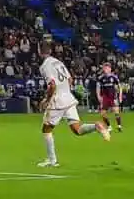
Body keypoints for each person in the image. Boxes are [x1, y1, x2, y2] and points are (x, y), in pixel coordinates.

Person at [37, 40, 111, 168]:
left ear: (39, 51)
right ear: (50, 51)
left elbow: (52, 85)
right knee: (77, 129)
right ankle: (97, 126)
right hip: (68, 98)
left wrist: (46, 100)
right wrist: (65, 90)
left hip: (57, 100)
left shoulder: (45, 66)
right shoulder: (58, 62)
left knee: (46, 129)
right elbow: (70, 79)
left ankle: (52, 160)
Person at [94, 62, 124, 132]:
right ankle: (109, 126)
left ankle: (119, 126)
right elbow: (97, 87)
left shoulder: (114, 77)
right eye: (104, 68)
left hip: (113, 96)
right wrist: (98, 96)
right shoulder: (100, 78)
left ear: (110, 69)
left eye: (107, 68)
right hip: (105, 97)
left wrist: (120, 96)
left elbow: (120, 86)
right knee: (103, 113)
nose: (105, 69)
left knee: (116, 112)